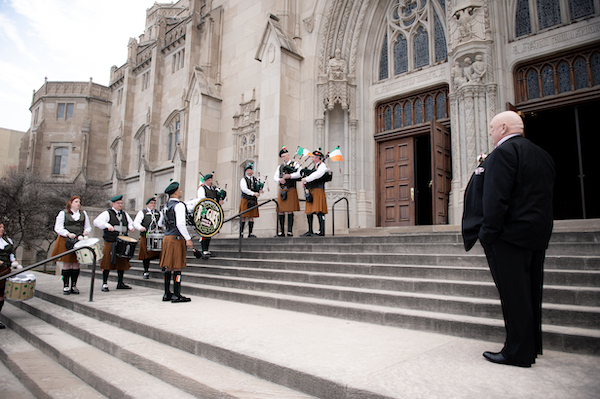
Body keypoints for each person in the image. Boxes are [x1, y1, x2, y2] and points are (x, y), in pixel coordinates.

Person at [462, 110, 555, 368]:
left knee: (514, 296)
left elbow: (496, 198)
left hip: (508, 238)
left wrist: (488, 235)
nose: (490, 133)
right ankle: (531, 346)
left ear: (503, 128)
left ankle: (517, 352)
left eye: (492, 128)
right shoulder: (542, 154)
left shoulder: (503, 153)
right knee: (530, 293)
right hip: (536, 236)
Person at [158, 181, 193, 303]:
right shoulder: (179, 206)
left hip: (167, 238)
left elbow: (160, 223)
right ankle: (176, 294)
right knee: (177, 266)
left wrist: (168, 230)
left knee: (169, 266)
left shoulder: (165, 206)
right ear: (176, 192)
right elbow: (180, 223)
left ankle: (167, 293)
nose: (181, 191)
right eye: (179, 190)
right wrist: (188, 238)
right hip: (176, 238)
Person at [93, 195, 135, 292]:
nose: (120, 205)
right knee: (107, 261)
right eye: (118, 203)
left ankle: (120, 282)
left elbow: (130, 222)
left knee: (122, 261)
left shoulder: (124, 214)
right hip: (110, 241)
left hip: (122, 241)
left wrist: (130, 227)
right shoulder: (107, 213)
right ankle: (104, 283)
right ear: (113, 204)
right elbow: (96, 221)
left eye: (121, 203)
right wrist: (107, 225)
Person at [51, 196, 92, 294]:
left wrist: (86, 231)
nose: (78, 203)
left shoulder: (83, 214)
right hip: (66, 240)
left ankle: (74, 285)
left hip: (78, 240)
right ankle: (65, 286)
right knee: (67, 263)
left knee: (76, 263)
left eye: (79, 202)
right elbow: (58, 228)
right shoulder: (63, 213)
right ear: (70, 203)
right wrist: (67, 233)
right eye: (76, 201)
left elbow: (88, 227)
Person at [298, 150, 329, 236]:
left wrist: (306, 179)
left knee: (319, 210)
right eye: (312, 157)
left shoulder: (322, 166)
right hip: (311, 191)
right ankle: (310, 230)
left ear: (318, 158)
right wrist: (304, 182)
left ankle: (321, 231)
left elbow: (318, 174)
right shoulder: (314, 167)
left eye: (314, 157)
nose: (312, 159)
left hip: (318, 190)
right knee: (309, 211)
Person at [195, 173, 224, 259]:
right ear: (205, 181)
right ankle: (204, 249)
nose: (211, 182)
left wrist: (221, 197)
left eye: (211, 180)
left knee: (210, 231)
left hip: (213, 213)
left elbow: (218, 199)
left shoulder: (214, 189)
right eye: (209, 180)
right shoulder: (202, 189)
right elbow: (202, 200)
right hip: (205, 212)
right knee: (205, 230)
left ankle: (206, 250)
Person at [274, 147, 300, 237]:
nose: (283, 158)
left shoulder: (295, 164)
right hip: (282, 190)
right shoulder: (280, 167)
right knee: (280, 211)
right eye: (282, 156)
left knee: (290, 211)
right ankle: (281, 232)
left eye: (285, 156)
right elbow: (275, 177)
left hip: (291, 189)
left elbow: (299, 174)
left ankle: (289, 231)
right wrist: (279, 180)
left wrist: (290, 176)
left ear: (288, 155)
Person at [0, 222, 22, 329]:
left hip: (5, 270)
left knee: (1, 295)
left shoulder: (7, 240)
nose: (2, 229)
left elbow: (11, 254)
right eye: (0, 227)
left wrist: (14, 262)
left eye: (2, 227)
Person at [133, 197, 161, 279]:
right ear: (147, 204)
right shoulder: (142, 212)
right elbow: (136, 223)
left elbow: (161, 222)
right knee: (146, 254)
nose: (153, 205)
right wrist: (140, 228)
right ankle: (146, 271)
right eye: (151, 203)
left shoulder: (158, 213)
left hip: (156, 236)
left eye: (154, 203)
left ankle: (163, 266)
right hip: (146, 236)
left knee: (161, 251)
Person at [239, 163, 263, 238]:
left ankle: (250, 233)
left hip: (253, 199)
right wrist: (253, 193)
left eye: (250, 170)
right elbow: (244, 189)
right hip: (245, 199)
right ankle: (241, 233)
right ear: (246, 171)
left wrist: (261, 190)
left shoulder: (255, 179)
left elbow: (259, 186)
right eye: (248, 170)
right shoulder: (243, 179)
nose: (250, 172)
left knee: (251, 216)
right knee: (243, 216)